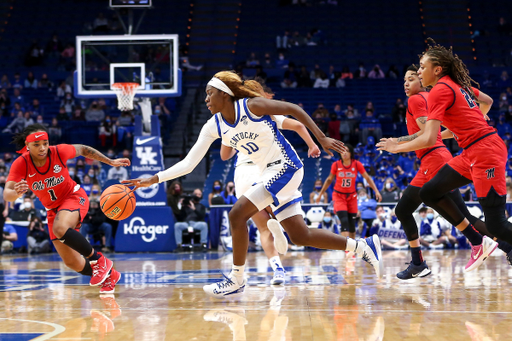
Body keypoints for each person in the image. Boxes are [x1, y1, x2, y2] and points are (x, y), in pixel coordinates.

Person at [123, 71, 384, 299]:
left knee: (237, 214)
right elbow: (189, 163)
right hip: (271, 173)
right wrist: (153, 178)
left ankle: (237, 279)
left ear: (225, 94)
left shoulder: (252, 106)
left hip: (287, 166)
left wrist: (321, 138)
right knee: (300, 235)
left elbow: (294, 110)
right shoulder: (213, 125)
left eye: (210, 93)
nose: (205, 99)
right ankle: (363, 246)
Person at [377, 42, 512, 277]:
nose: (418, 72)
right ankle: (478, 243)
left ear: (437, 69)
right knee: (429, 193)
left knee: (497, 224)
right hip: (470, 151)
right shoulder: (458, 85)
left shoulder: (436, 91)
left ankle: (484, 243)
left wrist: (396, 147)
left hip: (484, 152)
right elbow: (488, 102)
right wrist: (470, 123)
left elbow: (429, 138)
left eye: (421, 67)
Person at [3, 124, 129, 293]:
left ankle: (99, 260)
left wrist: (110, 161)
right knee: (71, 262)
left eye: (45, 143)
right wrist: (16, 193)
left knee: (60, 228)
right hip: (52, 209)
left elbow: (83, 149)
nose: (42, 148)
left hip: (74, 196)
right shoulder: (21, 163)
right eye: (37, 145)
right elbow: (7, 194)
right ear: (28, 146)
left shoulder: (58, 151)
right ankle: (110, 275)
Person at [219, 80, 322, 285]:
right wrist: (312, 145)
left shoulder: (229, 119)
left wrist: (231, 142)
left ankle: (277, 270)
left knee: (262, 228)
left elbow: (224, 156)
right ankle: (277, 220)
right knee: (279, 210)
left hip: (243, 174)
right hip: (266, 169)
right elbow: (299, 124)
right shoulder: (267, 115)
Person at [316, 144, 382, 239]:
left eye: (347, 151)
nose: (344, 153)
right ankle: (346, 248)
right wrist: (320, 194)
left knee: (352, 223)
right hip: (339, 196)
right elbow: (329, 180)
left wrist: (376, 191)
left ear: (351, 153)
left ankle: (352, 248)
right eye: (342, 151)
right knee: (344, 220)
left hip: (352, 196)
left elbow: (367, 178)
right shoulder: (336, 164)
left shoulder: (356, 164)